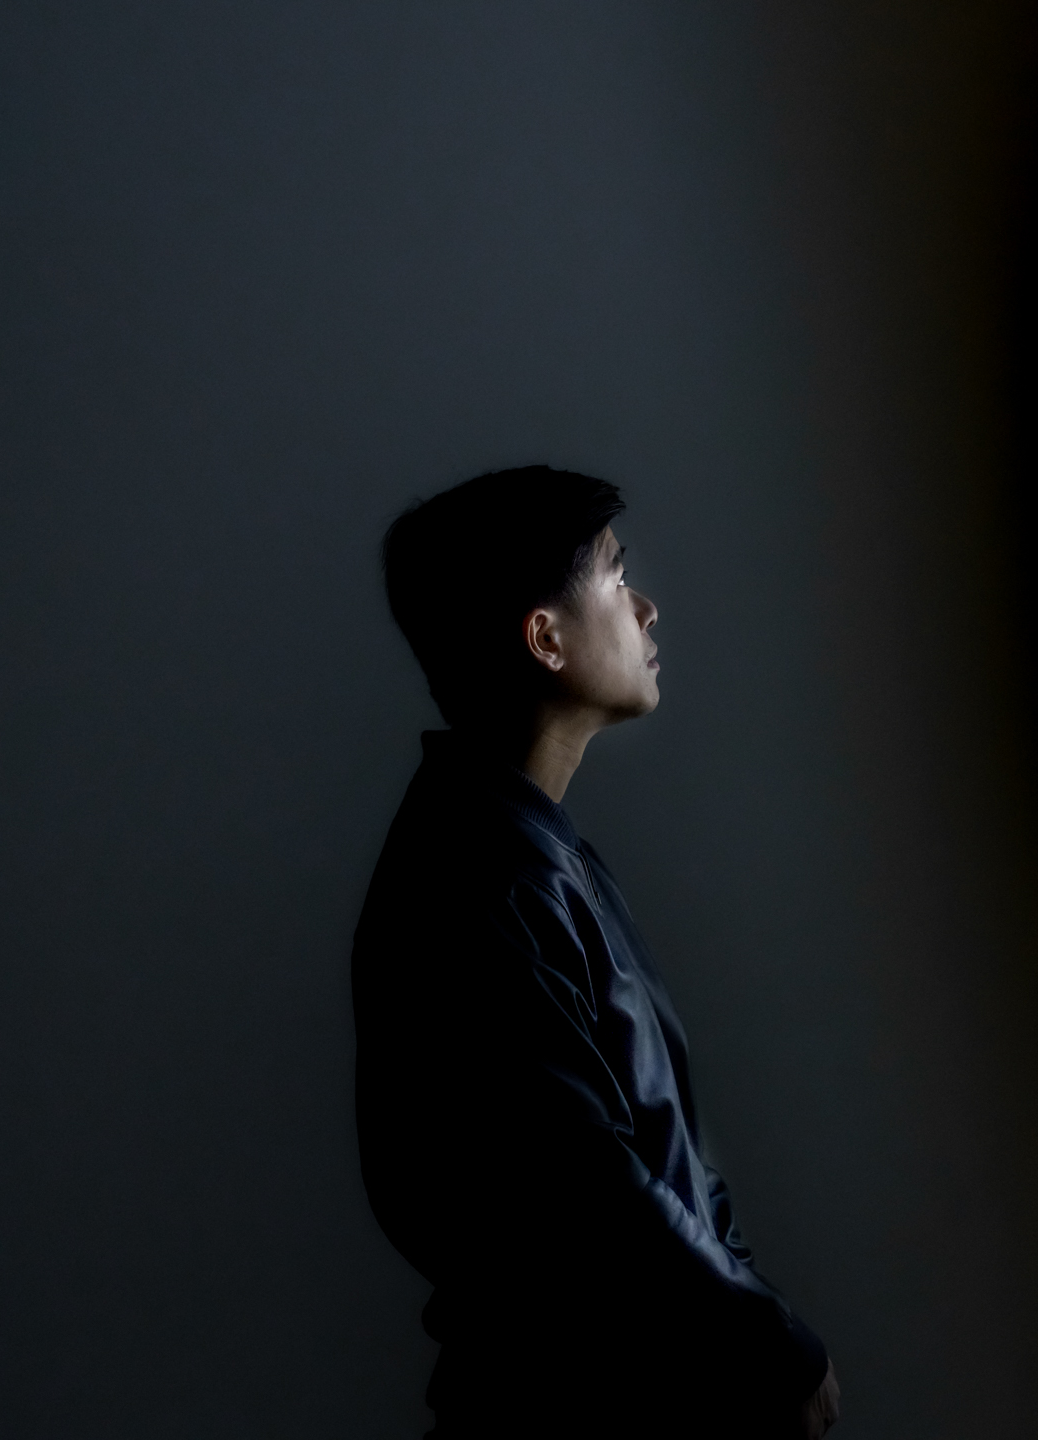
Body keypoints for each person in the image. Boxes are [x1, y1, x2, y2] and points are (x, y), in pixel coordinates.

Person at [353, 467, 841, 1438]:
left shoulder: (536, 853)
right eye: (617, 579)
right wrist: (773, 1345)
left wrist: (753, 1315)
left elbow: (671, 1162)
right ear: (546, 638)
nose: (648, 607)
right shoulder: (480, 882)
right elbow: (585, 1185)